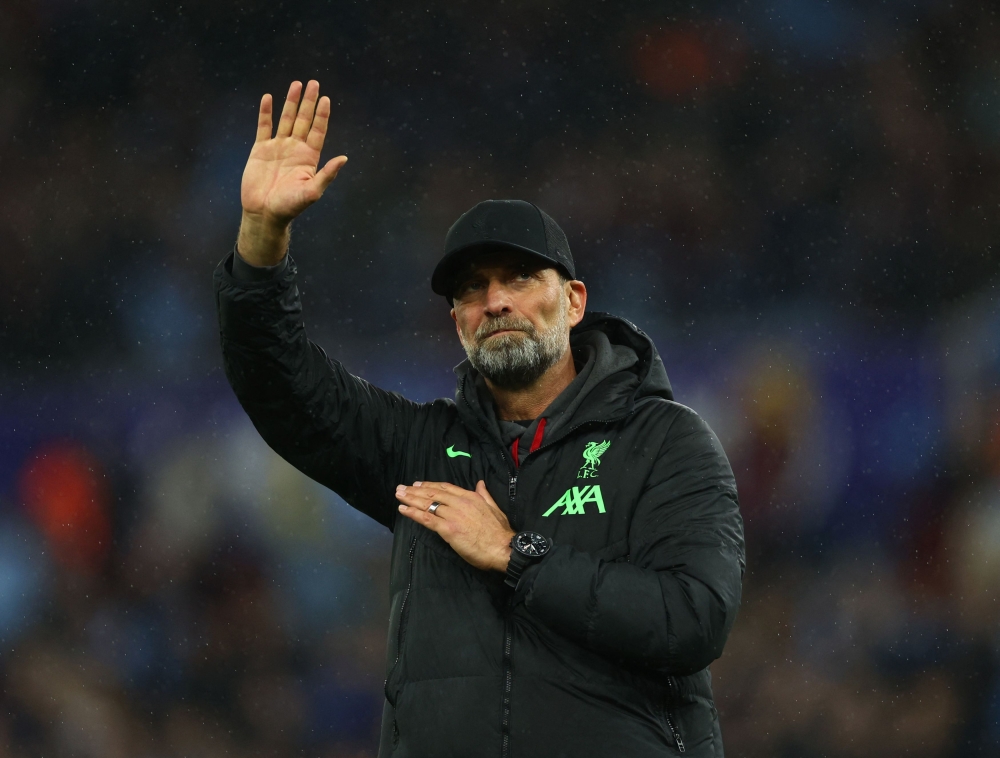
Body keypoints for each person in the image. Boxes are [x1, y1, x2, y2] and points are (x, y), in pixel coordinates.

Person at [214, 80, 745, 758]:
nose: (494, 301)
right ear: (456, 319)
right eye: (471, 288)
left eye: (520, 277)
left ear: (575, 301)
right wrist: (262, 239)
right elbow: (280, 387)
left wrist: (517, 556)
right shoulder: (420, 450)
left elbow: (694, 619)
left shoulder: (666, 440)